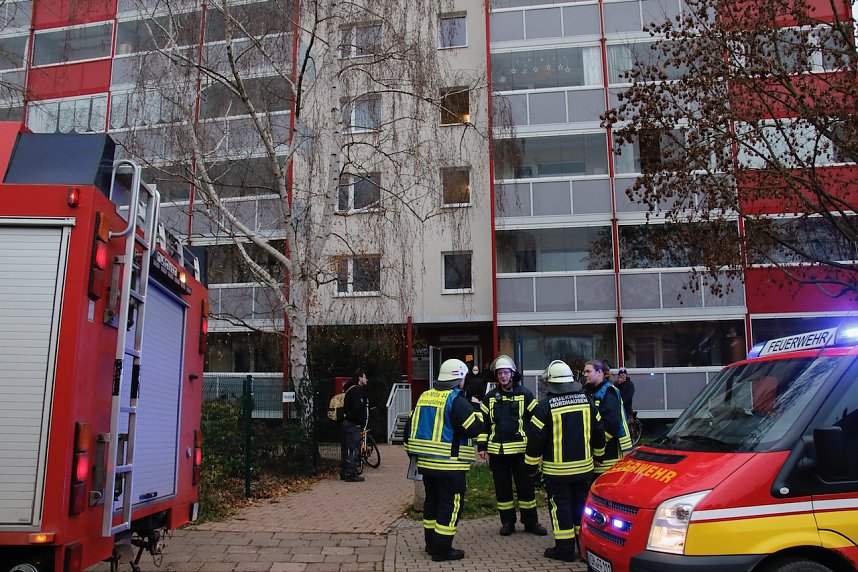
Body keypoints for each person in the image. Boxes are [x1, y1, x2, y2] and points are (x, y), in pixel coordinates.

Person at [403, 359, 484, 562]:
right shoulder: (457, 401)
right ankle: (442, 549)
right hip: (451, 466)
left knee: (432, 503)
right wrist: (477, 409)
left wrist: (413, 455)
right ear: (459, 379)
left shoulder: (424, 396)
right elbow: (473, 428)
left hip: (427, 466)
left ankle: (431, 544)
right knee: (450, 506)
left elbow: (408, 430)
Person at [525, 360, 605, 562]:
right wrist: (599, 456)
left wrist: (531, 467)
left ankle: (564, 549)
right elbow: (599, 432)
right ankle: (583, 546)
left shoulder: (545, 407)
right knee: (580, 507)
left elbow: (535, 440)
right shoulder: (587, 401)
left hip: (557, 472)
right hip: (585, 470)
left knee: (560, 508)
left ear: (551, 383)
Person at [477, 354, 547, 536]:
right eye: (500, 373)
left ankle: (531, 522)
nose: (503, 376)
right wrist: (482, 446)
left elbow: (537, 419)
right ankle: (507, 522)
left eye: (506, 372)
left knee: (526, 488)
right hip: (497, 452)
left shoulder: (525, 394)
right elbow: (484, 424)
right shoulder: (490, 397)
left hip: (520, 451)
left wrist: (536, 444)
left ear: (513, 374)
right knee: (503, 490)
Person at [583, 360, 632, 475]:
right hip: (599, 451)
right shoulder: (591, 392)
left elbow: (611, 425)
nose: (585, 374)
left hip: (610, 451)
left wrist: (597, 447)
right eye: (584, 372)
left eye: (588, 371)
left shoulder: (609, 392)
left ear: (600, 373)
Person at [340, 369, 369, 483]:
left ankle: (345, 471)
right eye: (365, 377)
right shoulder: (357, 391)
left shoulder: (349, 390)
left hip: (347, 423)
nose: (366, 379)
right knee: (353, 448)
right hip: (353, 424)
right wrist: (359, 422)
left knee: (346, 447)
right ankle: (350, 474)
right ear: (360, 378)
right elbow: (357, 408)